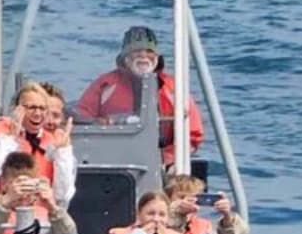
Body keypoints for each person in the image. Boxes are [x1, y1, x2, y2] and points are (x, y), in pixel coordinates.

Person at [73, 25, 205, 168]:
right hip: (111, 161)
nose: (143, 56)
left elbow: (193, 134)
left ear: (157, 57)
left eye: (149, 51)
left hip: (162, 162)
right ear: (125, 57)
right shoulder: (105, 85)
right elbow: (81, 120)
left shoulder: (174, 89)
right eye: (137, 51)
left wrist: (165, 158)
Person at [0, 82, 76, 213]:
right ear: (17, 109)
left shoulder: (52, 142)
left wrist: (63, 151)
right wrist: (11, 138)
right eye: (31, 108)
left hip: (38, 219)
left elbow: (63, 195)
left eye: (42, 109)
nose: (37, 113)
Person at [0, 151, 78, 234]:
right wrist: (5, 202)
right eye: (18, 183)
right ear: (3, 184)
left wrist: (52, 207)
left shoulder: (46, 212)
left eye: (28, 183)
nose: (23, 190)